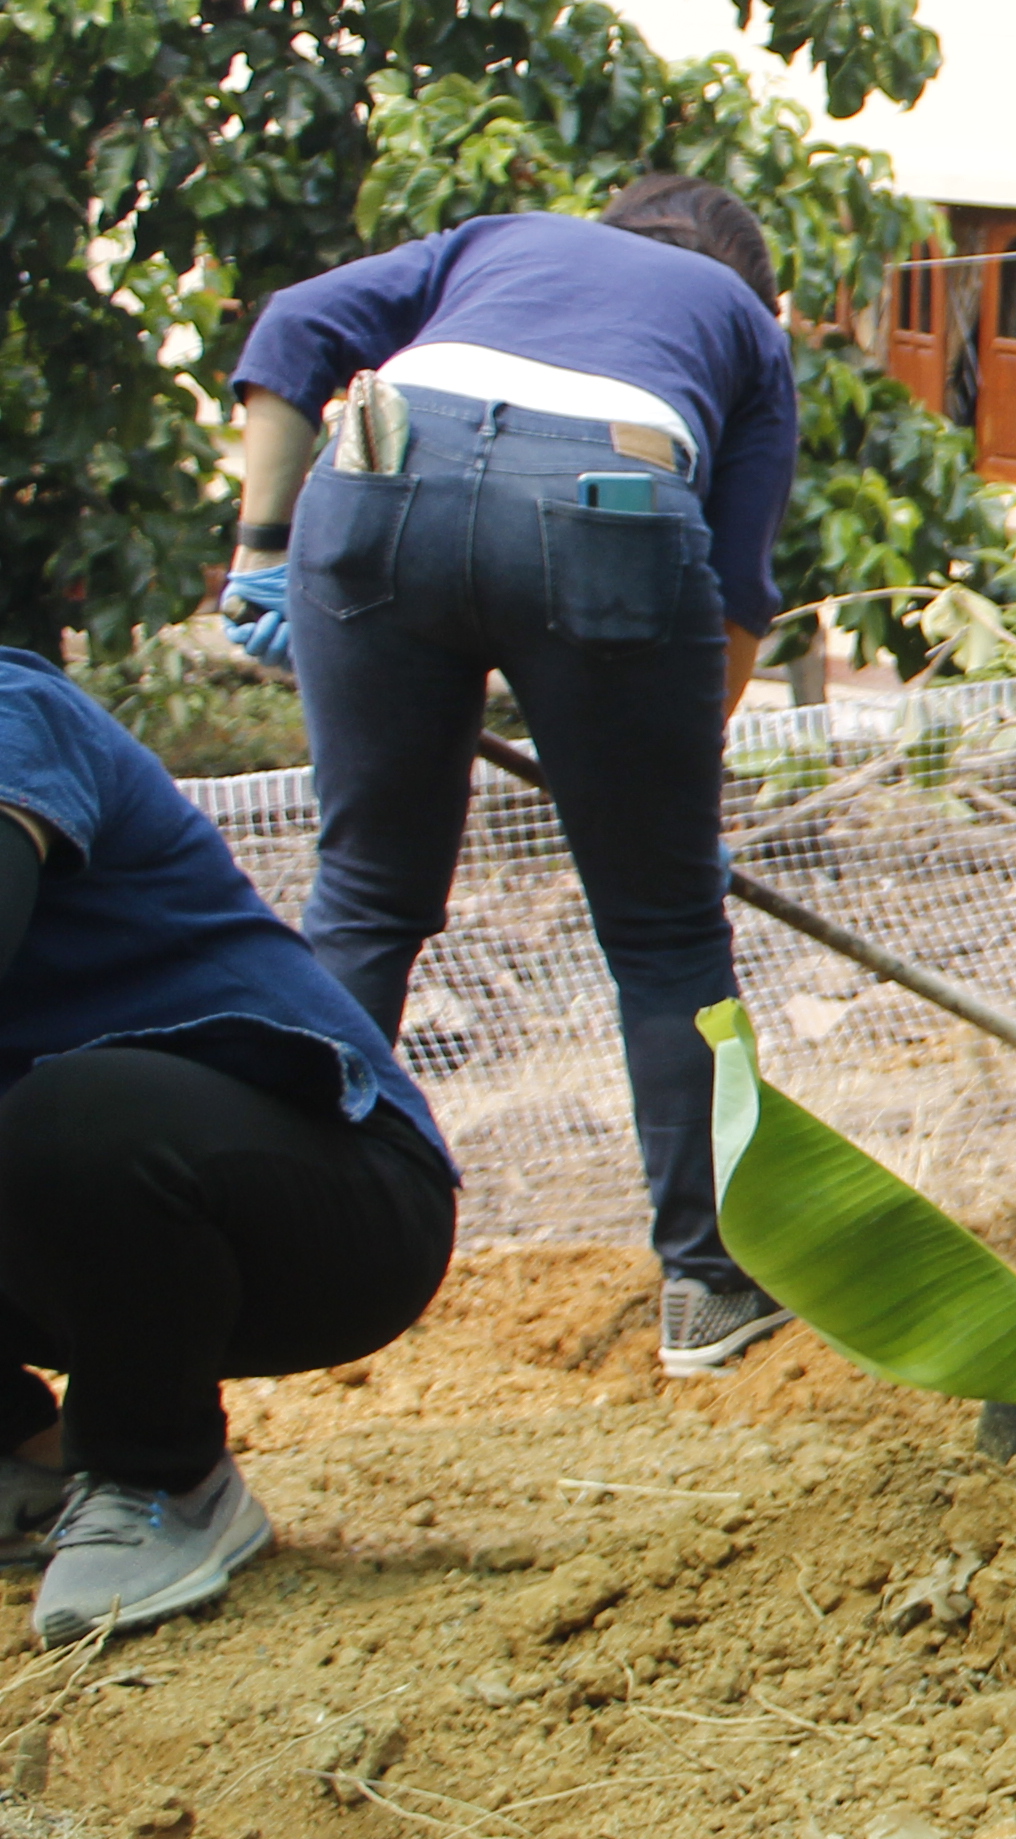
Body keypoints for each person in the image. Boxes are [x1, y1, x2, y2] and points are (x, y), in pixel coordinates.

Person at [223, 180, 800, 1376]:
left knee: (367, 900)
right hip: (613, 508)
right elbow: (737, 595)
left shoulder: (495, 243)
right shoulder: (745, 329)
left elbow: (292, 332)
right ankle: (706, 1282)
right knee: (663, 934)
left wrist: (266, 553)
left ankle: (277, 1253)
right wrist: (671, 797)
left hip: (378, 486)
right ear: (742, 274)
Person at [0, 648, 459, 1642]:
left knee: (65, 1110)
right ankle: (22, 1465)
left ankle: (162, 1477)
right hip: (76, 1219)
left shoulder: (13, 715)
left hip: (335, 1196)